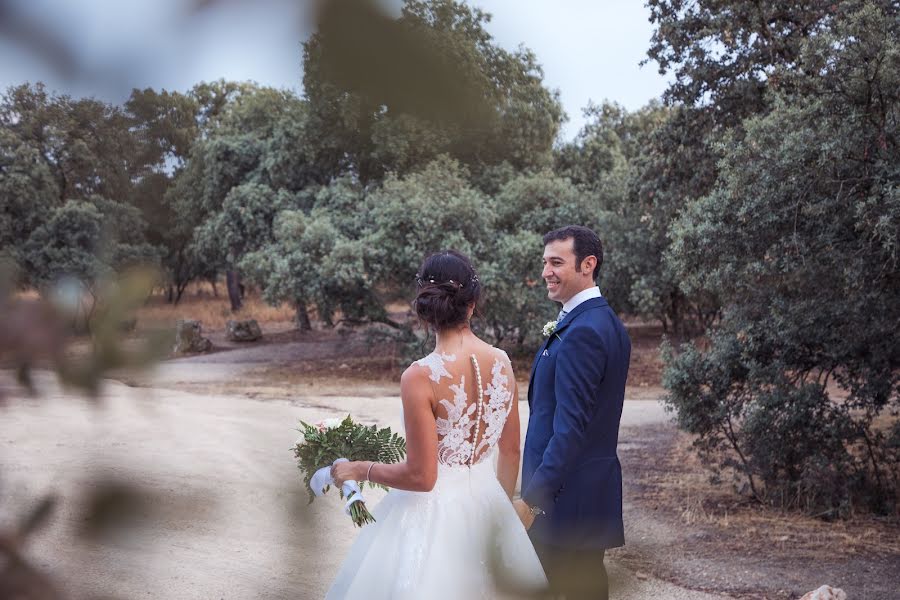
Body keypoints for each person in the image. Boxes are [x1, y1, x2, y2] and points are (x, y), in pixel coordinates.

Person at [327, 250, 547, 600]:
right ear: (472, 304)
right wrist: (497, 516)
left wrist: (358, 468)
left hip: (432, 515)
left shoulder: (420, 375)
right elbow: (510, 449)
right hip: (490, 503)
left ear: (424, 311)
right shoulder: (502, 363)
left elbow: (422, 477)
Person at [513, 225, 631, 600]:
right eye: (545, 262)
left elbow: (570, 429)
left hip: (563, 503)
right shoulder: (601, 321)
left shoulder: (584, 331)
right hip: (580, 496)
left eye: (557, 262)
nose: (546, 271)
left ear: (588, 264)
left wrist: (532, 500)